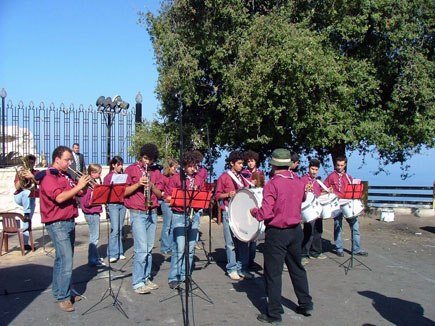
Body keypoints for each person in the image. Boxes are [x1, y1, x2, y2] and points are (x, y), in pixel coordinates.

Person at [250, 148, 313, 324]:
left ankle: (274, 313)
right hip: (296, 230)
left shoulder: (273, 184)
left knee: (273, 273)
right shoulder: (299, 182)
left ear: (273, 165)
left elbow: (265, 213)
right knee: (297, 268)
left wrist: (253, 211)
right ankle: (306, 304)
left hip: (277, 232)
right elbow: (301, 200)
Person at [39, 146, 91, 312]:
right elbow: (60, 197)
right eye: (67, 160)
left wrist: (84, 185)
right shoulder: (48, 177)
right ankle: (64, 297)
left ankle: (60, 291)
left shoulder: (66, 175)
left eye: (70, 160)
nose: (70, 163)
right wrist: (78, 186)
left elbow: (79, 193)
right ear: (57, 159)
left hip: (69, 220)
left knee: (62, 260)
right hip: (57, 222)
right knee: (67, 260)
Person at [124, 143, 164, 294]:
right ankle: (137, 282)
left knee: (148, 249)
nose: (148, 162)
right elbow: (123, 192)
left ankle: (146, 278)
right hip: (137, 212)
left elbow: (161, 194)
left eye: (151, 160)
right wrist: (138, 184)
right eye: (146, 159)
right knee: (141, 249)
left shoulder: (156, 172)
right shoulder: (131, 169)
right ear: (141, 156)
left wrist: (152, 185)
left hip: (151, 212)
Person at [164, 151, 205, 288]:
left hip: (194, 215)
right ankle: (174, 277)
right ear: (185, 166)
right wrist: (181, 200)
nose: (194, 169)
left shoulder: (198, 179)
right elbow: (167, 197)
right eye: (191, 166)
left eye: (195, 166)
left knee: (191, 247)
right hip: (179, 215)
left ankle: (185, 274)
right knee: (179, 248)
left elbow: (203, 196)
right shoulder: (176, 178)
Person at [215, 151, 253, 280]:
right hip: (228, 212)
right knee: (230, 243)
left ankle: (242, 267)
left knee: (243, 241)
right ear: (232, 163)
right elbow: (217, 195)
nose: (242, 166)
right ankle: (231, 268)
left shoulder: (243, 178)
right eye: (239, 163)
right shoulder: (224, 177)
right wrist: (228, 195)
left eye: (243, 163)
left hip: (241, 213)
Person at [324, 155, 368, 257]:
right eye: (338, 165)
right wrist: (328, 191)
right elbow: (324, 188)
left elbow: (353, 191)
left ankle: (356, 249)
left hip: (347, 204)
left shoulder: (348, 177)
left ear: (345, 165)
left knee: (355, 227)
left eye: (342, 165)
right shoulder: (331, 176)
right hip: (336, 204)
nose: (339, 167)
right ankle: (339, 248)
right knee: (338, 226)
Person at [300, 159, 327, 265]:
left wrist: (327, 191)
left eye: (316, 169)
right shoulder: (303, 179)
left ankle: (315, 251)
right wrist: (305, 189)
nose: (314, 171)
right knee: (308, 231)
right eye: (312, 169)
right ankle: (303, 253)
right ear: (309, 168)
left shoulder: (318, 180)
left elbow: (320, 191)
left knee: (318, 230)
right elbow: (300, 192)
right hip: (309, 208)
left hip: (317, 207)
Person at [242, 150, 265, 269]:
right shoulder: (243, 173)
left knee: (254, 237)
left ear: (256, 162)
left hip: (257, 203)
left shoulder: (260, 173)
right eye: (249, 161)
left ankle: (251, 260)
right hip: (247, 203)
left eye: (252, 161)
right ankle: (244, 261)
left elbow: (263, 187)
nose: (250, 163)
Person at [104, 156, 127, 263]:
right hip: (113, 204)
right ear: (113, 165)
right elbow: (105, 190)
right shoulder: (108, 177)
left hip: (122, 204)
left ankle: (120, 251)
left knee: (120, 228)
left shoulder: (122, 176)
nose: (121, 167)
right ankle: (112, 253)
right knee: (115, 229)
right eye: (119, 165)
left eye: (121, 164)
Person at [81, 164, 105, 267]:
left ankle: (95, 256)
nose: (100, 175)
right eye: (98, 173)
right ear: (92, 173)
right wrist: (98, 199)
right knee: (94, 237)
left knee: (95, 236)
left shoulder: (93, 183)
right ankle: (93, 259)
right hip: (91, 212)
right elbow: (86, 202)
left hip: (94, 211)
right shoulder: (88, 185)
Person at [13, 154, 39, 250]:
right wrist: (22, 177)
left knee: (27, 220)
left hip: (31, 198)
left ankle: (25, 243)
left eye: (32, 162)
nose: (31, 164)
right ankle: (27, 212)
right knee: (27, 192)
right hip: (19, 196)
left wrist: (32, 177)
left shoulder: (36, 172)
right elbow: (17, 187)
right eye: (29, 162)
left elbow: (39, 183)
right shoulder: (21, 172)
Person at [160, 158, 178, 254]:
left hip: (174, 202)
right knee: (167, 226)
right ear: (169, 167)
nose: (176, 170)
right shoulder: (164, 178)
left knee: (173, 226)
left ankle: (171, 245)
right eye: (174, 168)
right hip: (167, 203)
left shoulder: (175, 177)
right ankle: (165, 247)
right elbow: (160, 190)